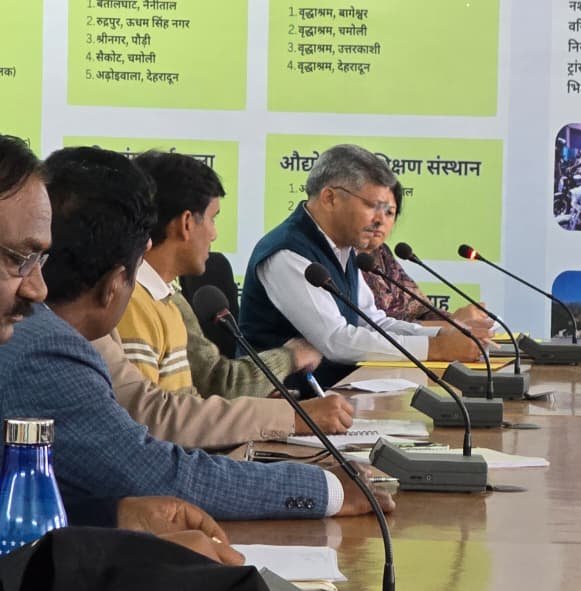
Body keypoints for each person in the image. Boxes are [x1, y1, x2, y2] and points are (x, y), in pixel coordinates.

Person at [0, 146, 393, 521]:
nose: (37, 287)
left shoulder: (100, 325)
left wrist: (113, 518)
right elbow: (148, 463)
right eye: (21, 258)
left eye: (40, 259)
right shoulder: (45, 343)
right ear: (117, 282)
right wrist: (326, 489)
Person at [240, 144, 480, 388]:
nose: (380, 220)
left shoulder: (344, 247)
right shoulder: (287, 253)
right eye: (372, 206)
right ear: (330, 198)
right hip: (286, 401)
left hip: (336, 394)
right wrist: (435, 347)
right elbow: (335, 340)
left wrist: (442, 335)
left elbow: (374, 323)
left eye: (388, 211)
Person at [117, 151, 325, 398]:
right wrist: (288, 362)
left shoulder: (167, 298)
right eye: (212, 219)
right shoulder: (131, 303)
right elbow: (157, 413)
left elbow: (189, 404)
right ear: (186, 223)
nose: (214, 234)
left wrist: (259, 411)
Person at [357, 182, 495, 330]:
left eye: (389, 213)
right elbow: (381, 326)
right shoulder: (345, 259)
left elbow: (421, 311)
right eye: (372, 209)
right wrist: (454, 324)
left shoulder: (381, 252)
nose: (380, 220)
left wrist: (463, 321)